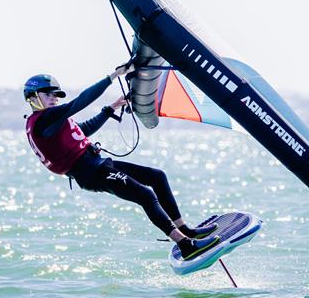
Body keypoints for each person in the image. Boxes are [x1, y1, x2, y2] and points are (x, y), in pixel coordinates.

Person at [24, 64, 221, 260]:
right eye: (48, 93)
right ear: (32, 97)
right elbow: (81, 101)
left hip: (99, 164)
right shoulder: (44, 119)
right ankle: (186, 245)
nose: (54, 97)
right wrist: (113, 76)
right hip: (91, 173)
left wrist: (109, 110)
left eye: (56, 94)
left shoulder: (49, 120)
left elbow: (80, 132)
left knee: (157, 176)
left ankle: (185, 229)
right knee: (145, 194)